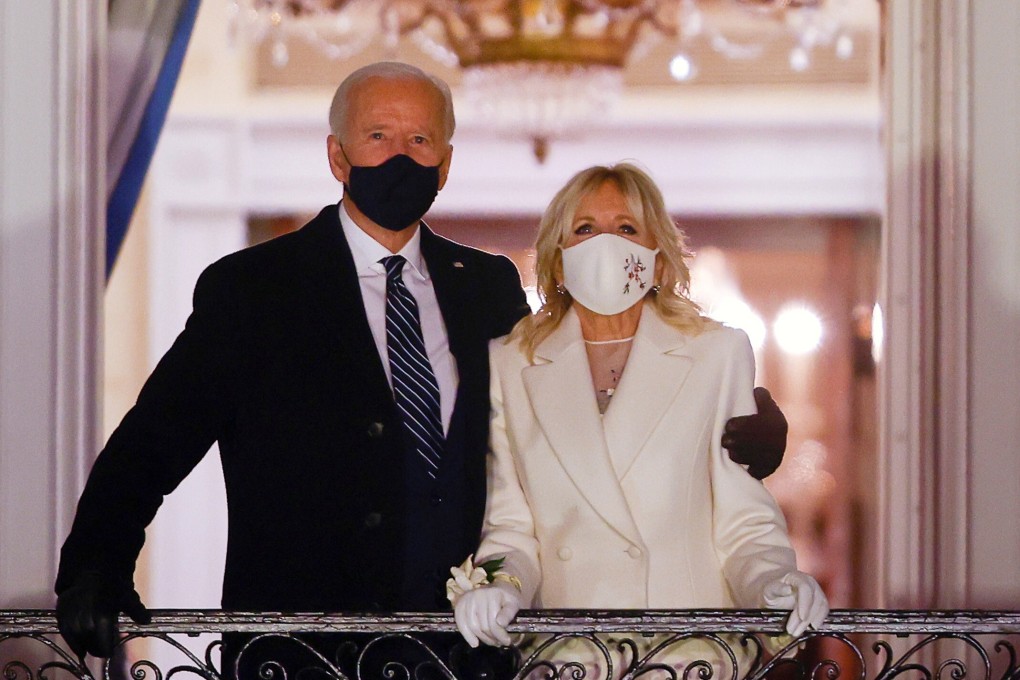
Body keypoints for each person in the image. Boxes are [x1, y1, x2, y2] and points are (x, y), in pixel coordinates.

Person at [54, 63, 789, 673]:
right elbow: (155, 438)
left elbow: (578, 414)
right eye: (379, 137)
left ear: (445, 162)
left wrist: (749, 426)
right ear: (338, 156)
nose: (401, 156)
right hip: (306, 654)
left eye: (420, 138)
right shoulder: (254, 289)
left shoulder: (489, 286)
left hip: (463, 653)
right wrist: (97, 556)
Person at [452, 164, 828, 660]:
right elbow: (511, 527)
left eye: (626, 228)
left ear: (658, 259)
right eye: (584, 229)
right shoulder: (511, 362)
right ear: (559, 262)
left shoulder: (715, 354)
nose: (606, 244)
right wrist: (504, 588)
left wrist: (774, 583)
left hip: (686, 655)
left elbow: (743, 525)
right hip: (571, 658)